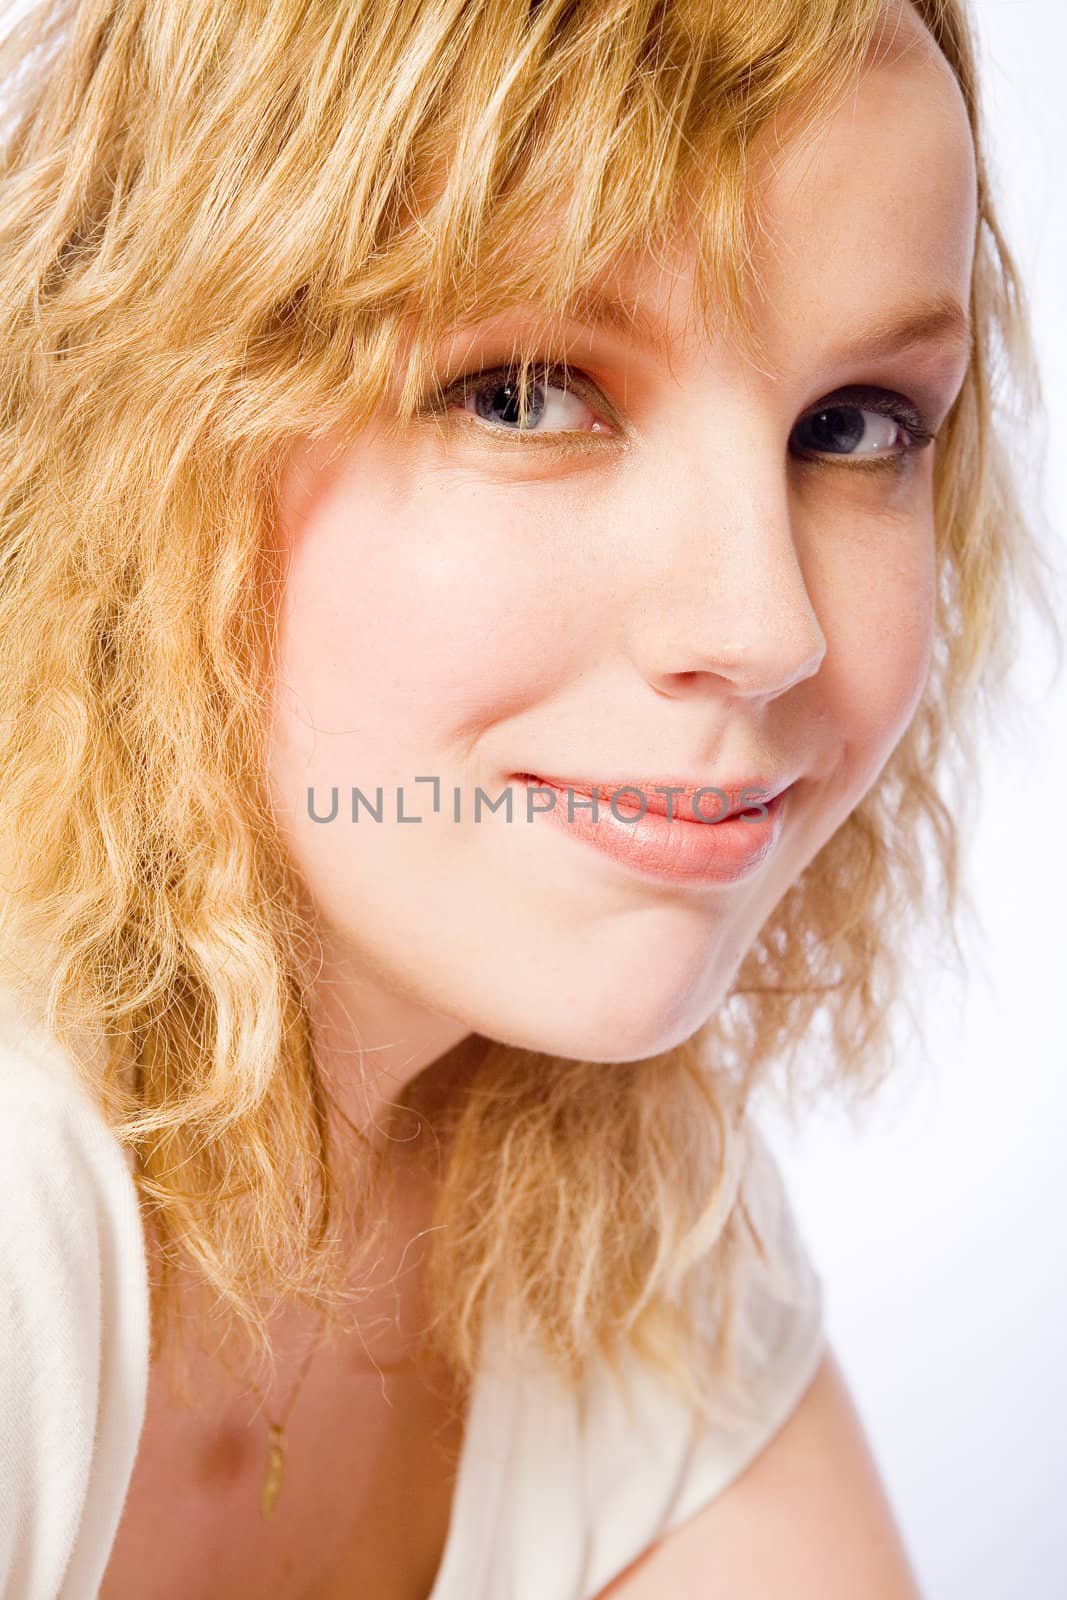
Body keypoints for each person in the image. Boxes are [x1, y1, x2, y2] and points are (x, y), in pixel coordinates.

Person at [0, 0, 1058, 1595]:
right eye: (525, 394)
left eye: (853, 427)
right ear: (141, 421)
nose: (766, 626)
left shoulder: (612, 1210)